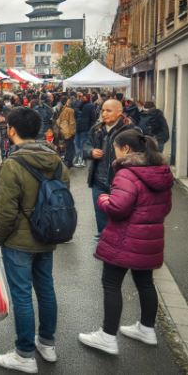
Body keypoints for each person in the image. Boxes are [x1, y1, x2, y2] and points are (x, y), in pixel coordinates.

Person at [78, 130, 173, 355]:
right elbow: (165, 208)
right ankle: (147, 328)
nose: (115, 151)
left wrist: (104, 199)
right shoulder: (161, 172)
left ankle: (107, 336)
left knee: (111, 283)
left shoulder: (127, 173)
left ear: (126, 149)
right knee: (145, 282)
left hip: (124, 238)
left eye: (116, 147)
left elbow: (118, 208)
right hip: (150, 238)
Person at [0, 107, 69, 373]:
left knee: (22, 295)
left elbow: (6, 211)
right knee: (46, 289)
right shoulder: (56, 160)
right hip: (48, 234)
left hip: (19, 241)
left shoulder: (13, 164)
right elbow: (62, 193)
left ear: (11, 130)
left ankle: (24, 353)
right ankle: (46, 343)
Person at [83, 99, 138, 239]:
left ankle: (119, 239)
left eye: (109, 110)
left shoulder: (131, 130)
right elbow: (86, 146)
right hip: (98, 179)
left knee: (121, 212)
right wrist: (91, 151)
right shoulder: (96, 129)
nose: (104, 114)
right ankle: (103, 236)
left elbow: (141, 153)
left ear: (119, 112)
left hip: (120, 181)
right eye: (103, 110)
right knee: (100, 210)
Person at [74, 94, 97, 167]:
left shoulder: (79, 105)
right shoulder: (89, 106)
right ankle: (81, 159)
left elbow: (92, 118)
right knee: (81, 143)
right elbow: (93, 118)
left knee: (79, 143)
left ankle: (79, 158)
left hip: (79, 127)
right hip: (83, 127)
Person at [56, 96, 77, 168]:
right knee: (70, 148)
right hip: (68, 132)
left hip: (62, 131)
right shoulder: (70, 110)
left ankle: (65, 161)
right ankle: (69, 163)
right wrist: (73, 132)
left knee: (65, 147)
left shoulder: (60, 108)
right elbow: (72, 123)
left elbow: (58, 121)